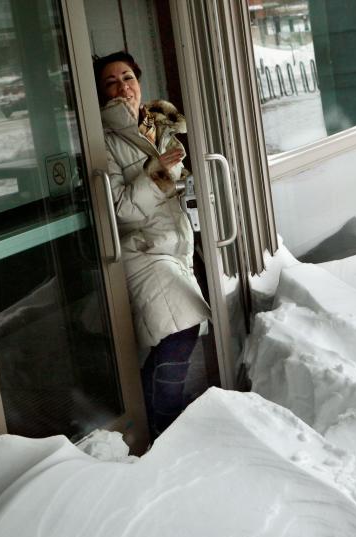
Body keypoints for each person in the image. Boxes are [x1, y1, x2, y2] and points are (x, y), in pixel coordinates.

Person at [93, 51, 210, 440]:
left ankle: (154, 419)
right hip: (141, 251)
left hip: (173, 247)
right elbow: (122, 209)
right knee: (182, 330)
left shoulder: (156, 125)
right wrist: (158, 169)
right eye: (111, 82)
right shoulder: (103, 142)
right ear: (99, 92)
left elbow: (178, 184)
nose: (122, 86)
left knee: (175, 334)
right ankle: (164, 425)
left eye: (128, 77)